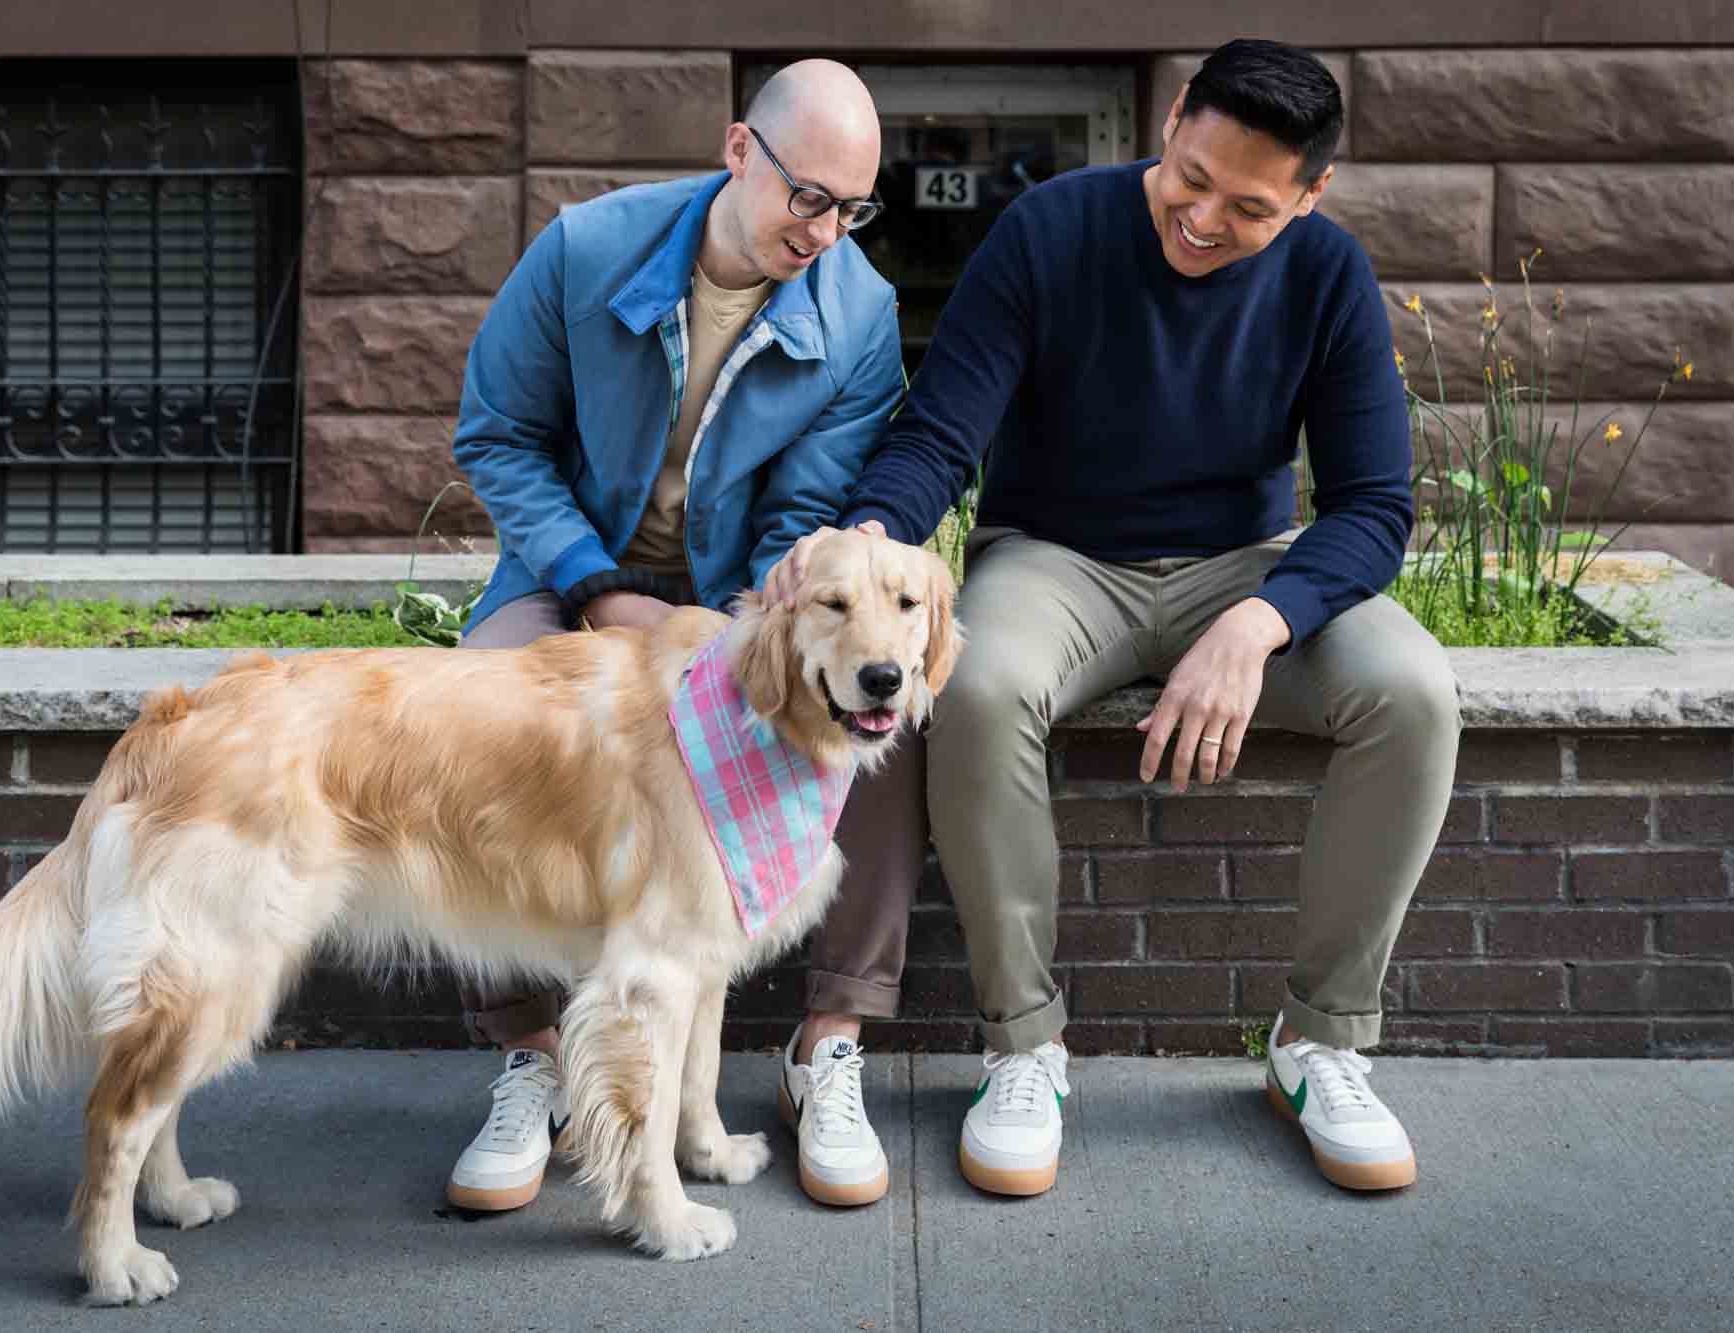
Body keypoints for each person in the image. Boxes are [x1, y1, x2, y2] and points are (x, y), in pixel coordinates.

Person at [769, 39, 1461, 1196]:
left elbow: (1372, 507)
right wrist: (871, 535)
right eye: (1190, 177)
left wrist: (1256, 624)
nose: (1201, 218)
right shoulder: (1048, 231)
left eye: (1247, 207)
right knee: (978, 691)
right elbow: (941, 431)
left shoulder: (1327, 275)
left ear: (1308, 196)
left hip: (1245, 566)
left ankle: (1318, 1043)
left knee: (1412, 693)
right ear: (1174, 116)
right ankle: (1022, 1048)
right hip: (1053, 558)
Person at [443, 58, 925, 1214]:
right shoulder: (583, 249)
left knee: (872, 725)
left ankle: (831, 1035)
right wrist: (598, 585)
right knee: (482, 713)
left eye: (851, 208)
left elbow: (802, 520)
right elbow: (497, 436)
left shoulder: (859, 312)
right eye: (806, 196)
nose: (824, 231)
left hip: (735, 599)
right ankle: (529, 1055)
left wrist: (731, 636)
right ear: (735, 152)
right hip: (570, 573)